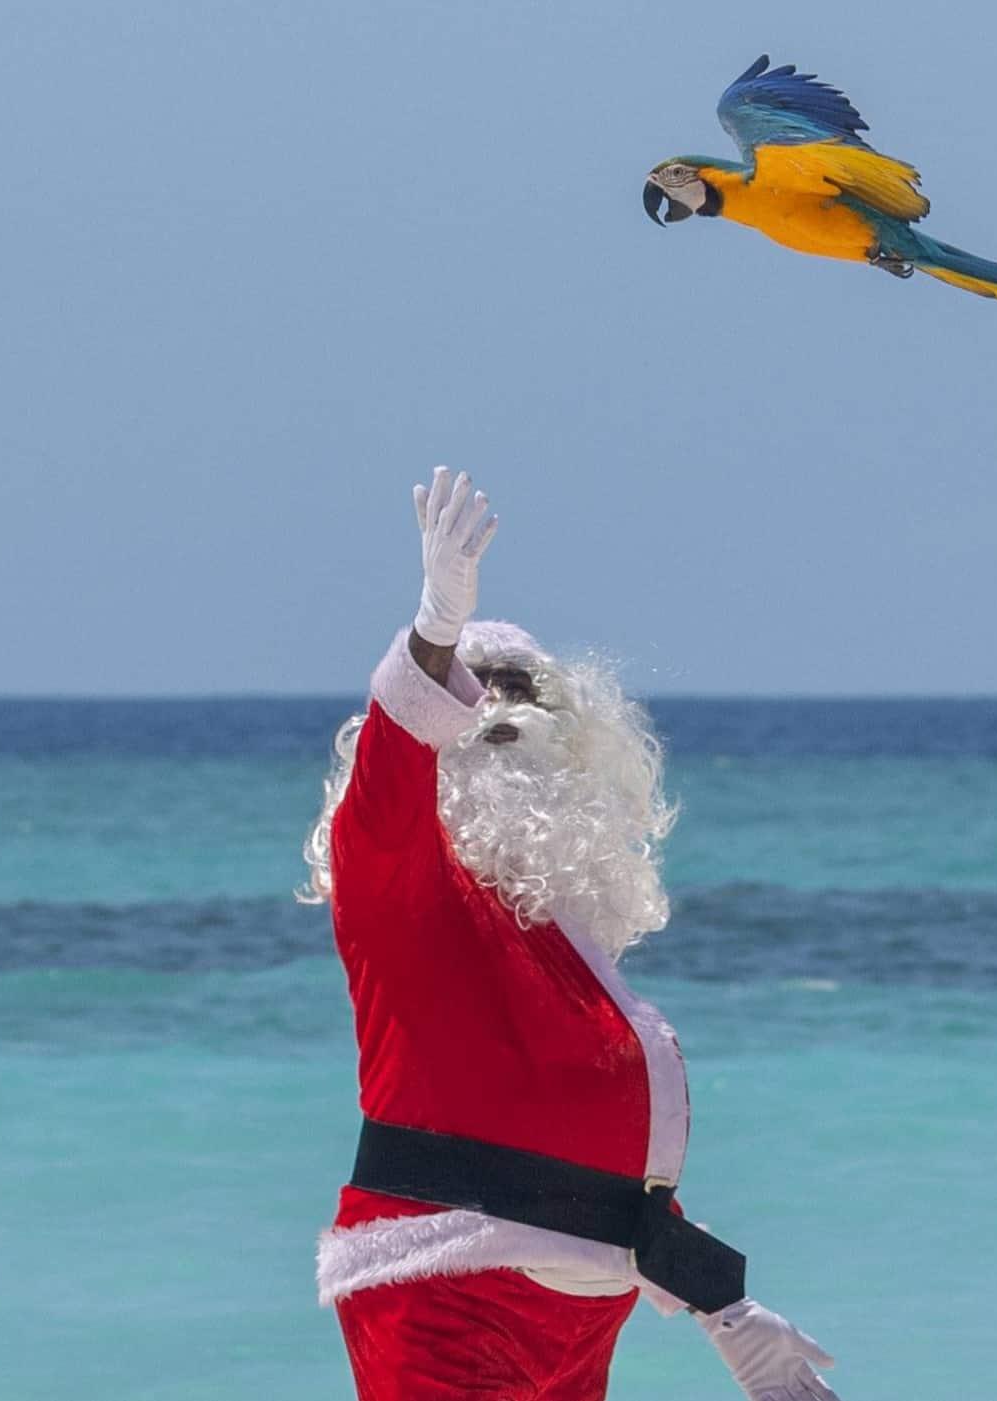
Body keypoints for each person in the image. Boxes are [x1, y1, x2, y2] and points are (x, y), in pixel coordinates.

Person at [299, 468, 842, 1401]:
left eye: (522, 688)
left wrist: (727, 1314)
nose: (495, 706)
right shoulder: (401, 885)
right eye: (472, 688)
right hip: (445, 1286)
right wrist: (435, 629)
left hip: (580, 1310)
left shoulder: (571, 945)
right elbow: (393, 772)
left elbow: (600, 1167)